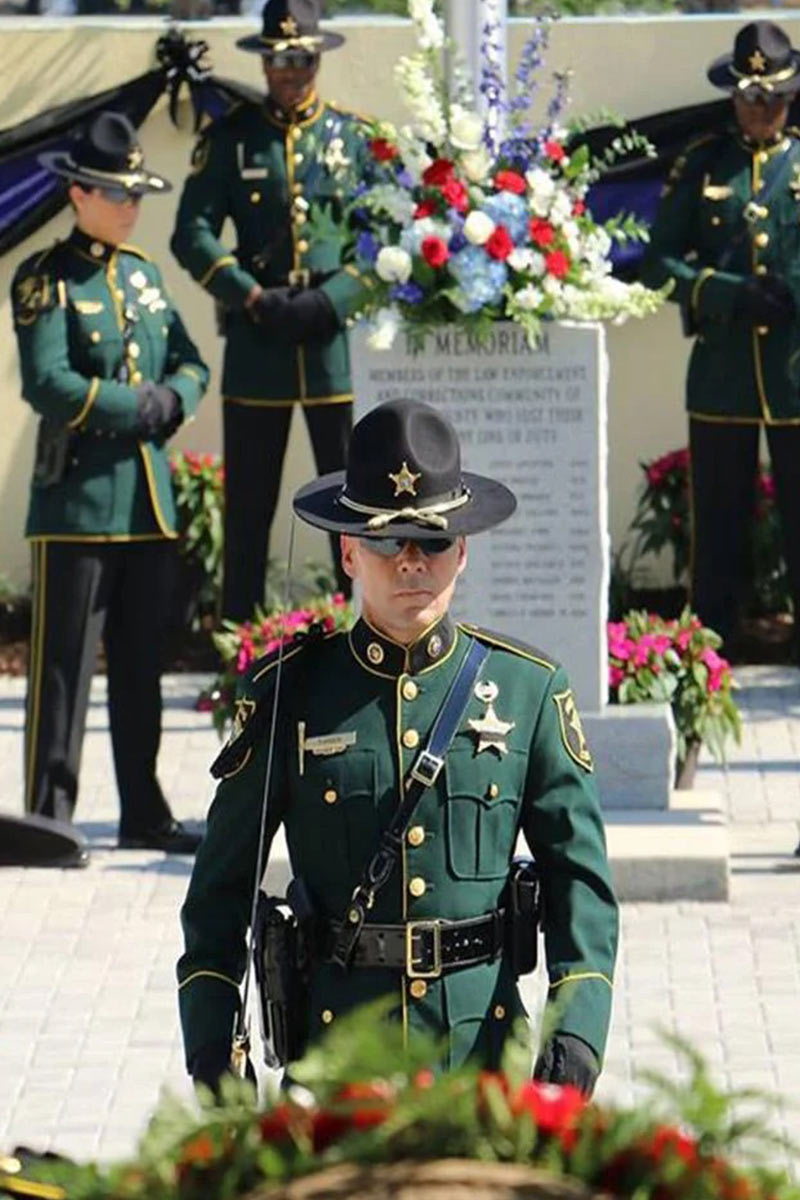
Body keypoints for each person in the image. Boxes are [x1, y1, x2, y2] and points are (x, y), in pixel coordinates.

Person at [177, 397, 619, 1097]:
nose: (412, 562)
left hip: (484, 1061)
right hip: (337, 1065)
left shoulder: (529, 690)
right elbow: (220, 893)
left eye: (434, 543)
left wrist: (576, 1038)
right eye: (388, 543)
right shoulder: (289, 693)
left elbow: (582, 887)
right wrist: (212, 1049)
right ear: (349, 551)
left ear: (463, 551)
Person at [11, 111, 210, 855]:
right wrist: (141, 406)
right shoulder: (44, 281)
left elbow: (192, 362)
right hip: (77, 504)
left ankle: (144, 811)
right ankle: (47, 814)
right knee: (63, 670)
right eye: (115, 194)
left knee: (139, 670)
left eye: (135, 195)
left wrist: (176, 398)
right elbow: (50, 384)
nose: (129, 207)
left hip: (145, 504)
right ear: (79, 195)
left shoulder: (144, 277)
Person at [170, 0, 371, 622]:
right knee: (250, 507)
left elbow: (383, 237)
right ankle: (240, 651)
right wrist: (249, 295)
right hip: (258, 343)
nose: (290, 69)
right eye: (279, 58)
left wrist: (332, 299)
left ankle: (361, 635)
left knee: (354, 507)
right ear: (263, 62)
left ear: (318, 58)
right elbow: (191, 233)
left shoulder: (352, 137)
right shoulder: (230, 139)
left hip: (331, 347)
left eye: (301, 57)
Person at [641, 21, 800, 661]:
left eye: (772, 98)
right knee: (720, 515)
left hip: (793, 371)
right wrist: (727, 294)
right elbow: (658, 264)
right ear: (734, 96)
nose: (760, 109)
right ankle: (712, 643)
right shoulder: (705, 162)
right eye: (749, 97)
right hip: (723, 372)